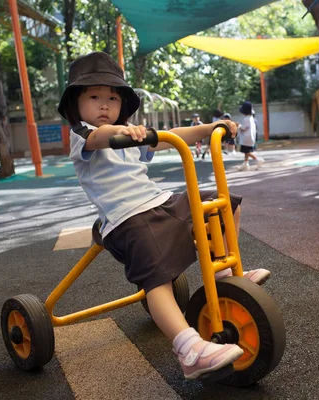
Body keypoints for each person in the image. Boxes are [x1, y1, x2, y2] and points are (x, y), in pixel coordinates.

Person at [57, 52, 271, 380]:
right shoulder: (82, 135)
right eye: (95, 96)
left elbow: (174, 136)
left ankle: (223, 274)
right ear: (76, 102)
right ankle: (188, 348)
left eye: (112, 98)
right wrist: (120, 132)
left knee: (223, 205)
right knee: (156, 278)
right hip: (125, 220)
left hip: (159, 202)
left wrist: (210, 128)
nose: (104, 105)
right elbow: (99, 139)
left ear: (123, 104)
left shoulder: (130, 133)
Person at [237, 101, 264, 171]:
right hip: (250, 138)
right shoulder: (251, 118)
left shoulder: (246, 119)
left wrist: (238, 126)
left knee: (246, 152)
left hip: (246, 139)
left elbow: (243, 128)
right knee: (246, 151)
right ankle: (245, 163)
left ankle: (258, 159)